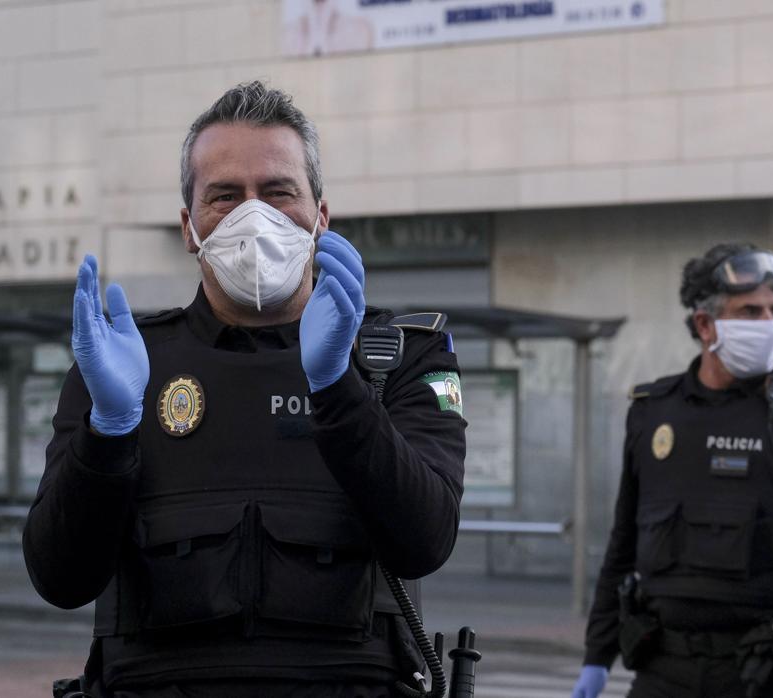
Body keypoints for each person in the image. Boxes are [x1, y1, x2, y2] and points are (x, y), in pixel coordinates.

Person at [23, 81, 466, 698]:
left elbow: (424, 540)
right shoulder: (127, 364)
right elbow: (60, 578)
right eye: (224, 196)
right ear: (188, 225)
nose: (251, 217)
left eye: (279, 192)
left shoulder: (398, 359)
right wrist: (109, 432)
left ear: (321, 217)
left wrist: (339, 387)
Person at [570, 243, 773, 698]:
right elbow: (622, 546)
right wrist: (597, 657)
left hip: (769, 671)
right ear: (706, 325)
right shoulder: (653, 413)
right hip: (665, 669)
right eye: (750, 313)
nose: (769, 326)